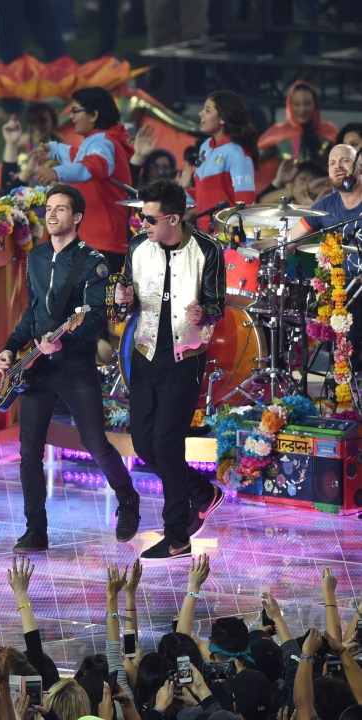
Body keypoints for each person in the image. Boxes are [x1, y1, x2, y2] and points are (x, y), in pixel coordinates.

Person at [0, 184, 139, 553]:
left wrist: (63, 341)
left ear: (76, 217)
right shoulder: (37, 257)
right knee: (29, 453)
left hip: (75, 368)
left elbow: (94, 320)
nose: (51, 214)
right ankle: (35, 530)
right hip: (38, 368)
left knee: (95, 443)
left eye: (60, 209)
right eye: (48, 208)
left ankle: (127, 499)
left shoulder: (93, 262)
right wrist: (11, 347)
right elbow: (33, 311)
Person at [114, 179, 226, 561]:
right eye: (140, 217)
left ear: (173, 219)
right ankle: (201, 491)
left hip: (186, 358)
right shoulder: (137, 247)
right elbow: (126, 301)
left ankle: (177, 535)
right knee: (143, 443)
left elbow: (217, 305)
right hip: (145, 354)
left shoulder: (207, 250)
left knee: (167, 442)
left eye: (149, 218)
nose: (141, 224)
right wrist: (122, 298)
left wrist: (204, 312)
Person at [31, 87, 134, 273]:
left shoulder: (104, 142)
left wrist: (55, 172)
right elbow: (77, 157)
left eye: (75, 110)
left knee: (88, 301)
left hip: (103, 242)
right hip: (95, 240)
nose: (71, 116)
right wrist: (51, 149)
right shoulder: (98, 140)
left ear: (93, 114)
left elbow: (90, 166)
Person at [288, 144, 362, 358]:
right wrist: (259, 247)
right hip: (344, 298)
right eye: (332, 163)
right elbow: (289, 240)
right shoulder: (327, 206)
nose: (337, 166)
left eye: (345, 161)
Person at [181, 90, 258, 231]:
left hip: (226, 240)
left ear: (222, 118)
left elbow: (246, 206)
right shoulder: (204, 147)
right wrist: (180, 193)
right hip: (204, 235)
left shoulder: (237, 153)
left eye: (207, 110)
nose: (201, 113)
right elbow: (204, 193)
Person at [257, 80, 339, 189]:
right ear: (290, 105)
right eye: (297, 104)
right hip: (285, 196)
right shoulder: (277, 133)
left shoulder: (329, 131)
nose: (302, 109)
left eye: (307, 104)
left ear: (315, 105)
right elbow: (252, 158)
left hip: (321, 193)